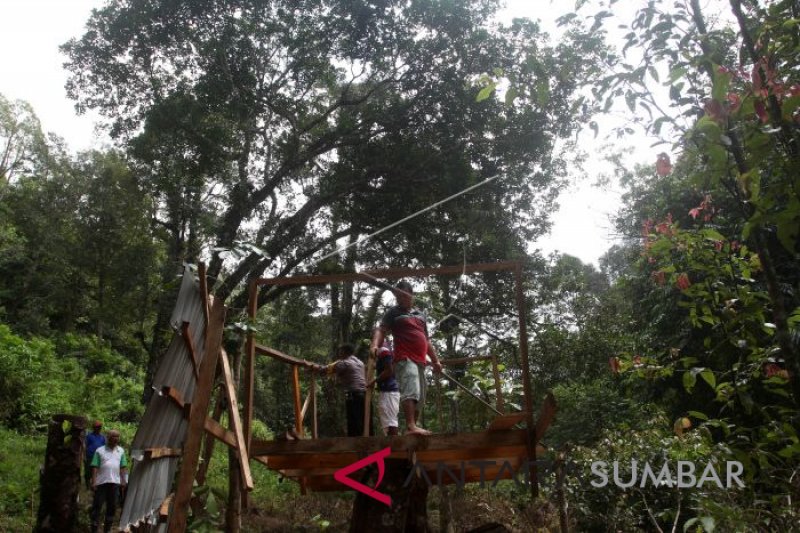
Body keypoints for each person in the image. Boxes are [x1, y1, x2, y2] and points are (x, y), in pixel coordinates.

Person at [371, 280, 442, 435]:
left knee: (421, 395)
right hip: (404, 358)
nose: (400, 299)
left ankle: (413, 427)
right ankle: (410, 425)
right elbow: (381, 330)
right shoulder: (393, 312)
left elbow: (426, 340)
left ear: (411, 295)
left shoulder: (421, 315)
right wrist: (375, 345)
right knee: (411, 388)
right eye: (397, 296)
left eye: (403, 295)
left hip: (420, 360)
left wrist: (435, 361)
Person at [314, 343, 368, 437]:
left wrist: (313, 367)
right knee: (363, 421)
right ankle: (366, 444)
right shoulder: (360, 362)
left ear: (344, 352)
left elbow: (325, 370)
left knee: (353, 423)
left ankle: (354, 446)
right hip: (364, 395)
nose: (339, 354)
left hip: (353, 395)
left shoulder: (344, 363)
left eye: (340, 352)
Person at [90, 429, 128, 533]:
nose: (116, 439)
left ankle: (107, 530)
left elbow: (123, 466)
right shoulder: (100, 450)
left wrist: (123, 480)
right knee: (97, 506)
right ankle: (94, 528)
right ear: (108, 438)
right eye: (113, 436)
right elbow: (95, 467)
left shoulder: (121, 451)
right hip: (101, 483)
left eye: (117, 436)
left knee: (112, 507)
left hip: (114, 483)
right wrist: (93, 481)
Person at [367, 341, 400, 436]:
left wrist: (374, 381)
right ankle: (390, 449)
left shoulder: (384, 351)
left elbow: (389, 371)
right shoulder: (384, 352)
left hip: (389, 391)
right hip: (387, 391)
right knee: (388, 421)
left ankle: (394, 448)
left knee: (390, 422)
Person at [85, 420, 106, 489]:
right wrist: (84, 456)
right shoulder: (89, 436)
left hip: (98, 457)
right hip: (90, 456)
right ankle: (87, 485)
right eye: (96, 427)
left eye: (99, 427)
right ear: (93, 427)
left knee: (97, 471)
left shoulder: (102, 437)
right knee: (88, 470)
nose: (98, 428)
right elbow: (85, 446)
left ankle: (95, 484)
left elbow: (104, 447)